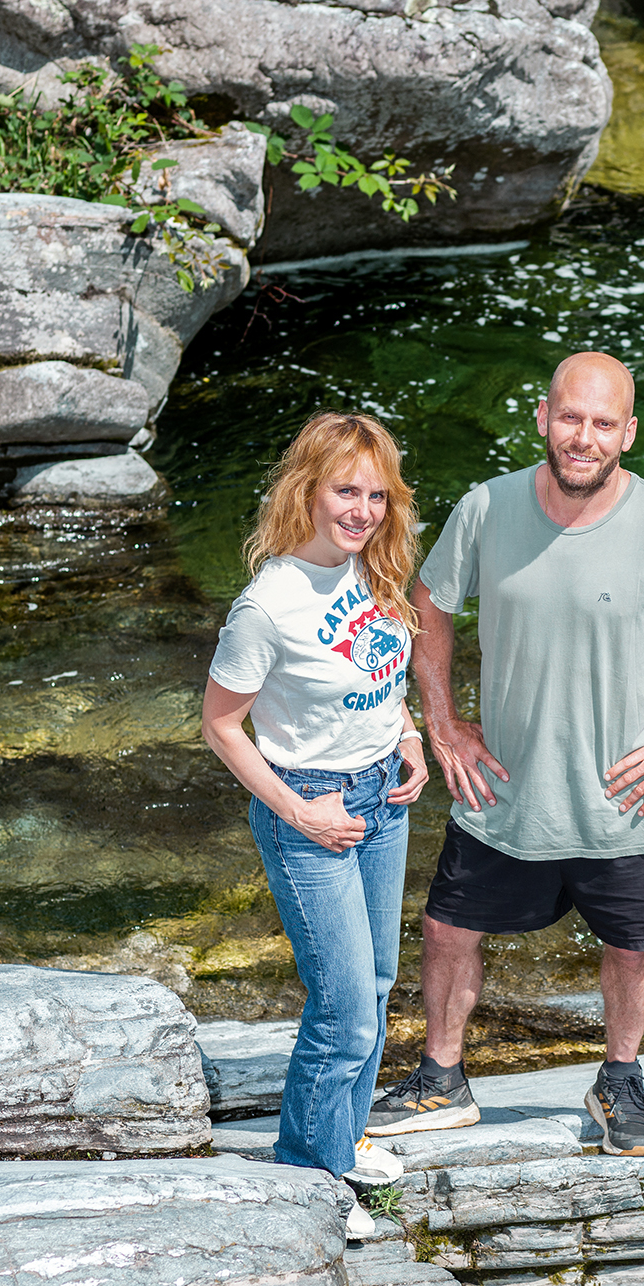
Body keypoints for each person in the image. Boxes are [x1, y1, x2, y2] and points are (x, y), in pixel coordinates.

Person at [368, 351, 644, 1156]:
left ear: (627, 432)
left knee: (633, 946)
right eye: (569, 417)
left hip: (627, 804)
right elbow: (429, 602)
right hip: (505, 792)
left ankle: (618, 1080)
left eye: (601, 423)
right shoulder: (487, 508)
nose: (582, 437)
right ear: (541, 417)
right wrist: (445, 722)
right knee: (448, 927)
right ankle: (441, 1078)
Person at [203, 410, 428, 1238]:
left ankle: (344, 1134)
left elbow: (382, 670)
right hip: (310, 808)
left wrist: (408, 737)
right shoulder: (268, 604)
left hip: (380, 796)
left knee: (372, 984)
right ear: (308, 489)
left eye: (376, 493)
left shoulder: (376, 569)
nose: (362, 509)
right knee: (343, 1008)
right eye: (346, 490)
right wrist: (296, 807)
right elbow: (222, 725)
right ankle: (309, 1172)